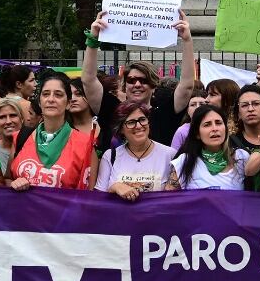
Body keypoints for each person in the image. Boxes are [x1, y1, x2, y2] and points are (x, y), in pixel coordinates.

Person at [83, 13, 199, 147]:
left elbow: (186, 86)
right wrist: (93, 40)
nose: (137, 84)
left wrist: (187, 40)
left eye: (144, 80)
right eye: (131, 80)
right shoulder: (112, 110)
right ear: (124, 85)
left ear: (154, 85)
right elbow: (88, 80)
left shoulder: (164, 114)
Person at [6, 72, 95, 191]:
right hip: (22, 209)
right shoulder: (20, 137)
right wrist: (14, 184)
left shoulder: (86, 145)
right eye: (46, 94)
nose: (51, 99)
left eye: (58, 95)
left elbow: (89, 196)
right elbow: (7, 179)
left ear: (68, 103)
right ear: (39, 102)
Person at [95, 101, 174, 199]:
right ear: (121, 129)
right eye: (131, 122)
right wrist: (114, 187)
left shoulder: (170, 154)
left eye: (142, 119)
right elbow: (99, 199)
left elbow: (176, 198)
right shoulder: (110, 156)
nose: (139, 126)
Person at [169, 105, 248, 190]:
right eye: (207, 125)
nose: (214, 129)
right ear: (197, 134)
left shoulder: (241, 157)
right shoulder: (184, 161)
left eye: (218, 123)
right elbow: (169, 199)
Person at [0, 96, 24, 173]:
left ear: (22, 119)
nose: (8, 121)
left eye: (13, 115)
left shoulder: (33, 147)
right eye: (2, 117)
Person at [231, 84, 260, 153]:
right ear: (238, 113)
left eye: (256, 104)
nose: (250, 109)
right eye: (244, 105)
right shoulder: (230, 144)